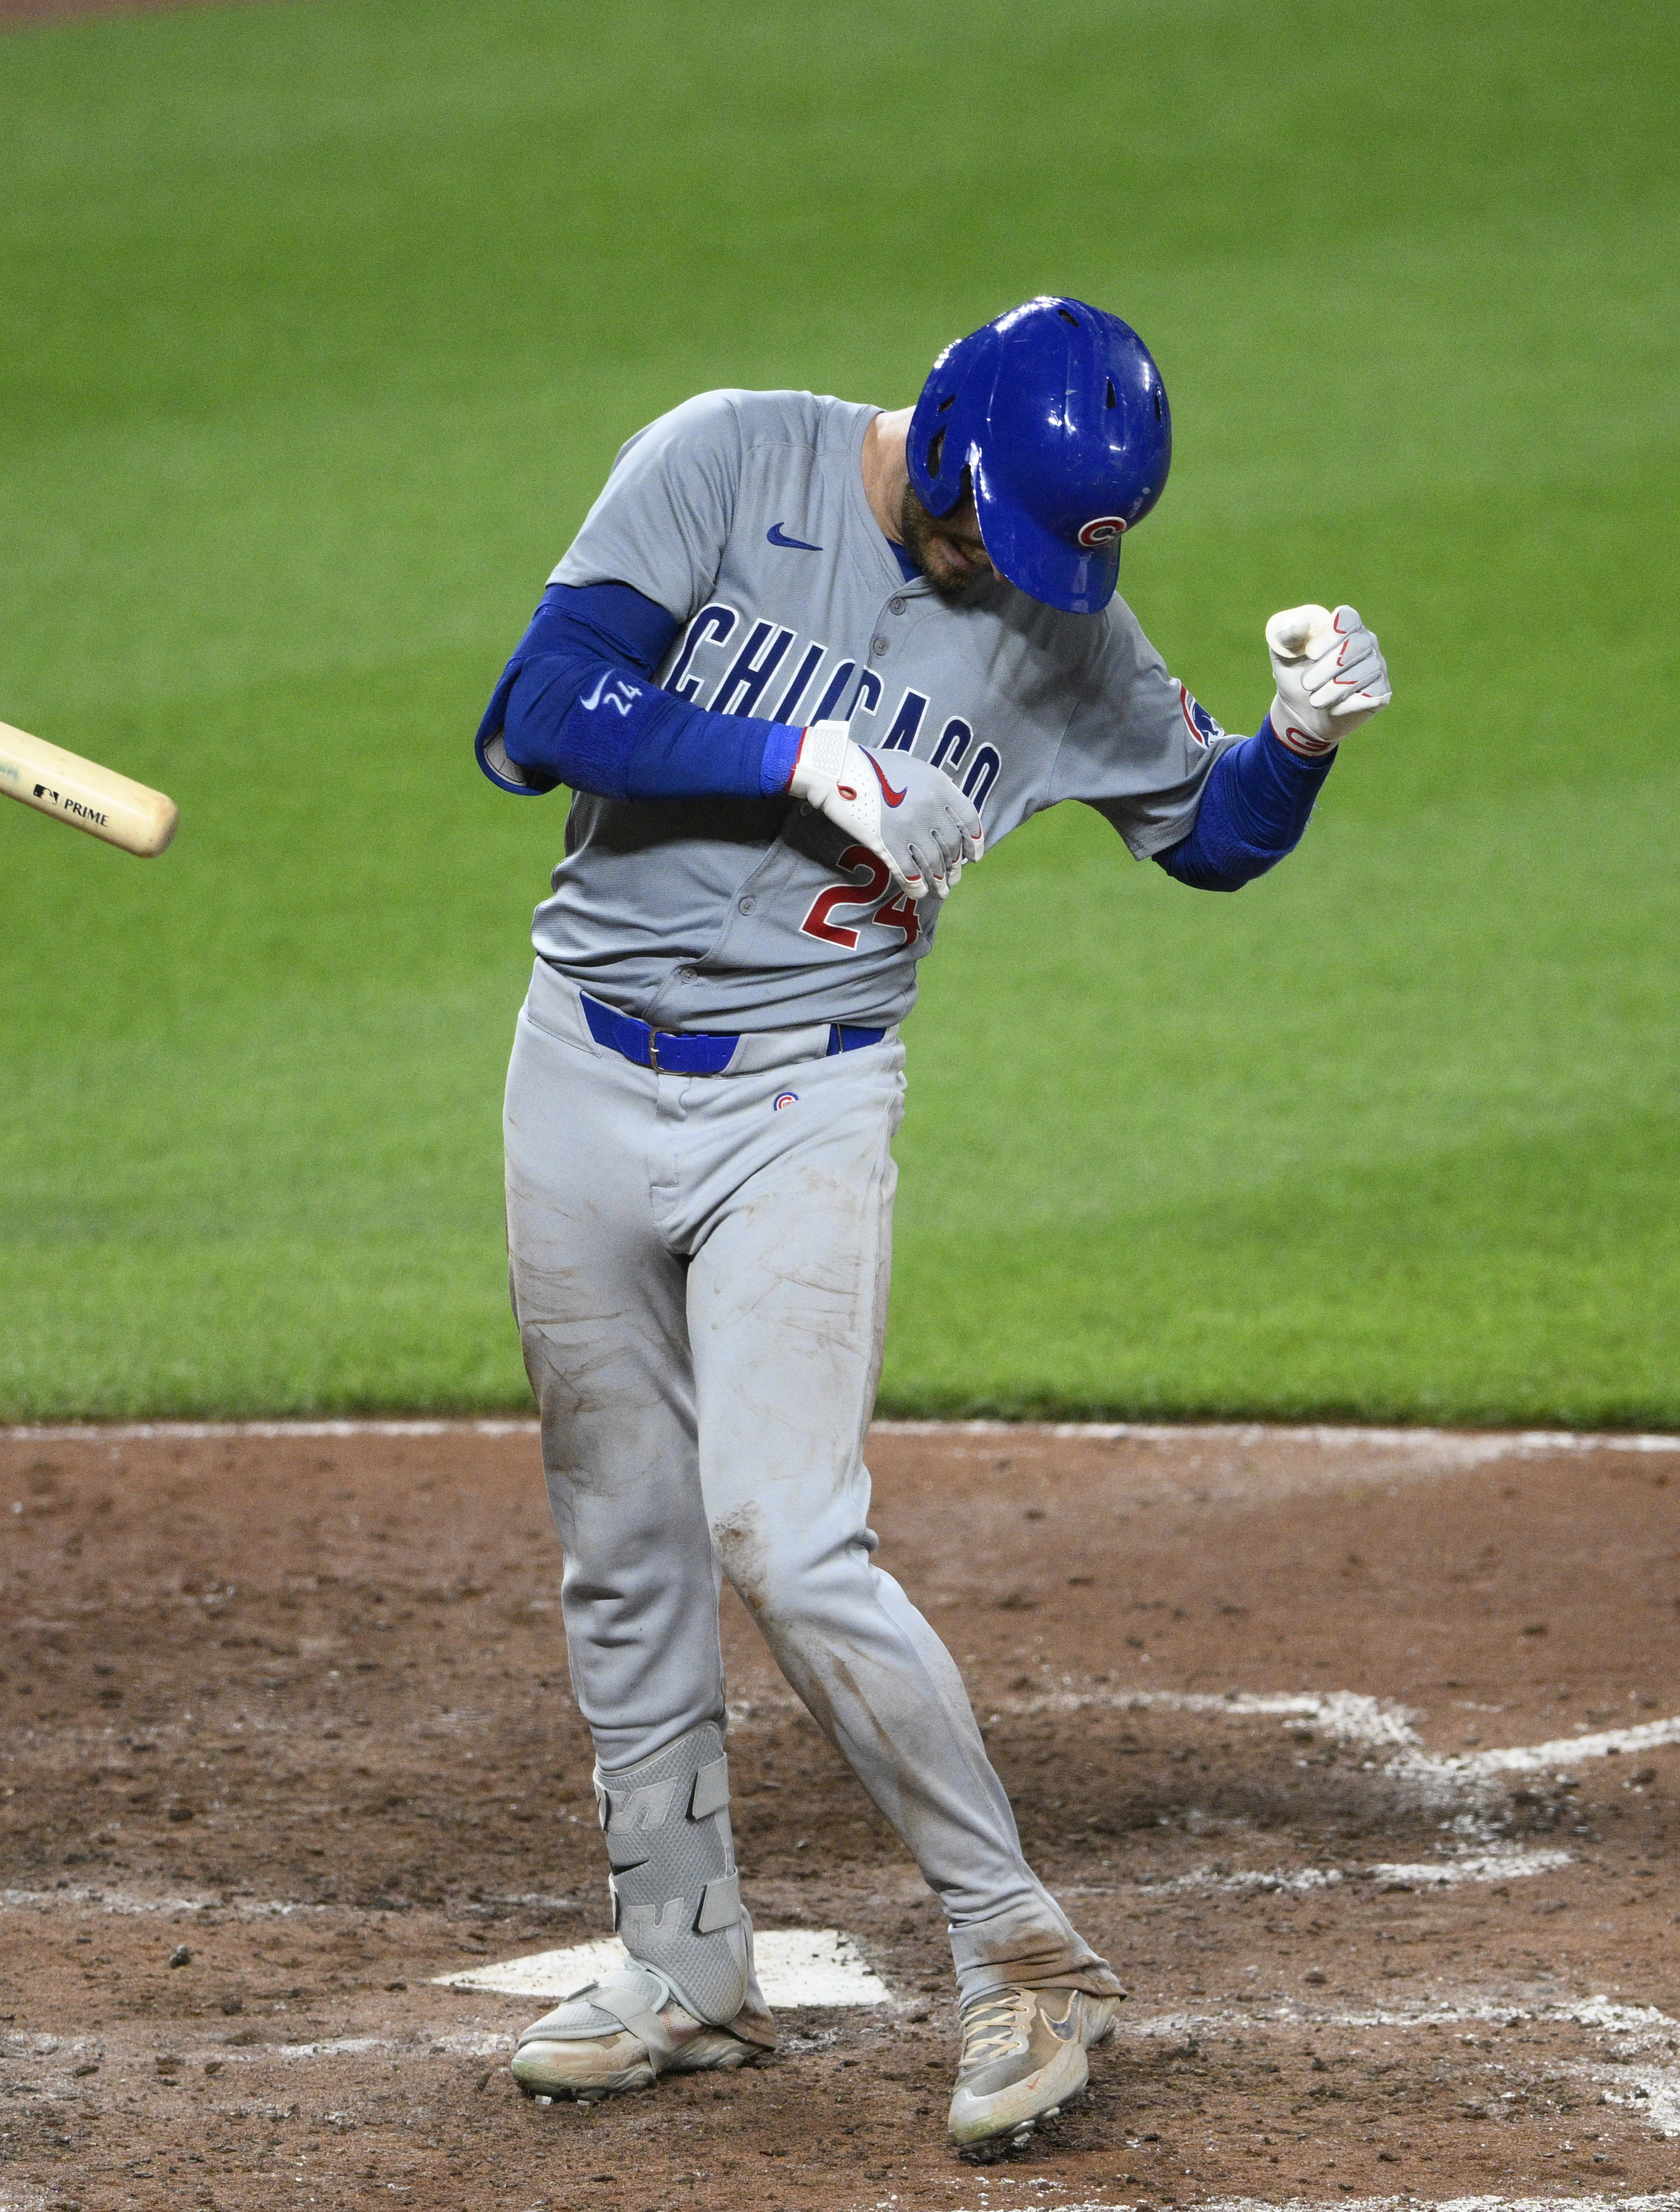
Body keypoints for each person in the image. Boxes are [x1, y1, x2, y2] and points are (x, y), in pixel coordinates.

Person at [469, 295, 1392, 2155]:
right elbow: (528, 719)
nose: (1012, 576)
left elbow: (1201, 834)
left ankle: (1024, 1958)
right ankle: (684, 1962)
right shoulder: (727, 454)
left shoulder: (1059, 621)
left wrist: (1290, 742)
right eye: (995, 526)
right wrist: (790, 755)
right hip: (574, 1064)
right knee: (626, 1538)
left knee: (785, 1535)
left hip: (804, 1094)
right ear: (950, 430)